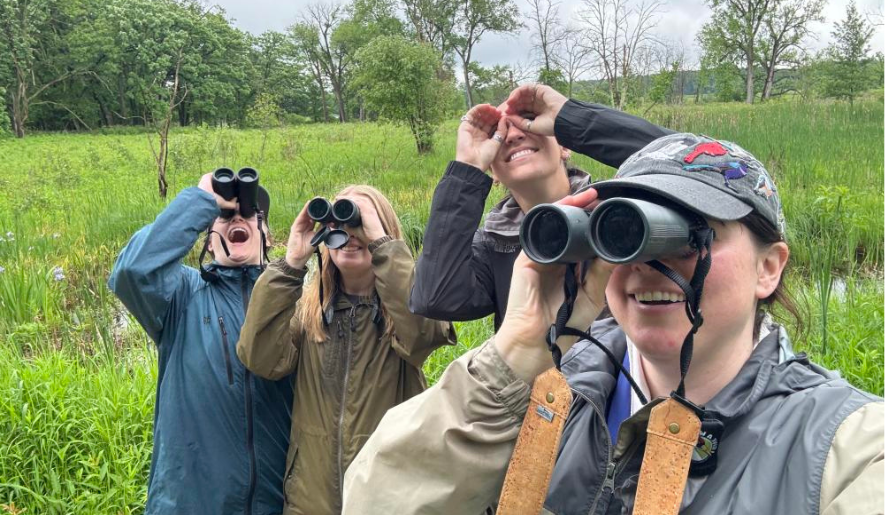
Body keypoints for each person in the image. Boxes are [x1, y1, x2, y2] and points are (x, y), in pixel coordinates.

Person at [344, 134, 884, 515]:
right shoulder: (540, 399)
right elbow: (375, 501)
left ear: (769, 268)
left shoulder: (844, 446)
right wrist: (518, 351)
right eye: (625, 230)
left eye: (690, 235)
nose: (648, 262)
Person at [236, 184, 456, 515]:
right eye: (339, 224)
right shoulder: (308, 313)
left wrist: (383, 247)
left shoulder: (403, 313)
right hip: (310, 501)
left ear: (383, 233)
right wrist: (293, 261)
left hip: (386, 498)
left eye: (359, 222)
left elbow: (424, 335)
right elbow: (259, 357)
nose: (349, 234)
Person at [410, 83, 671, 331]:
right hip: (540, 377)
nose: (512, 135)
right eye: (497, 134)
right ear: (494, 172)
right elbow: (435, 297)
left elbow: (698, 160)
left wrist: (571, 119)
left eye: (528, 119)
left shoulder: (622, 213)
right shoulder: (494, 245)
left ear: (564, 146)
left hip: (630, 375)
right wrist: (468, 166)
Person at [109, 173, 293, 514]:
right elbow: (131, 272)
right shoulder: (181, 295)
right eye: (223, 217)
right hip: (190, 503)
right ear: (208, 241)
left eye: (250, 214)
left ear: (267, 236)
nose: (237, 218)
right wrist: (200, 201)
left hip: (275, 502)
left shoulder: (292, 302)